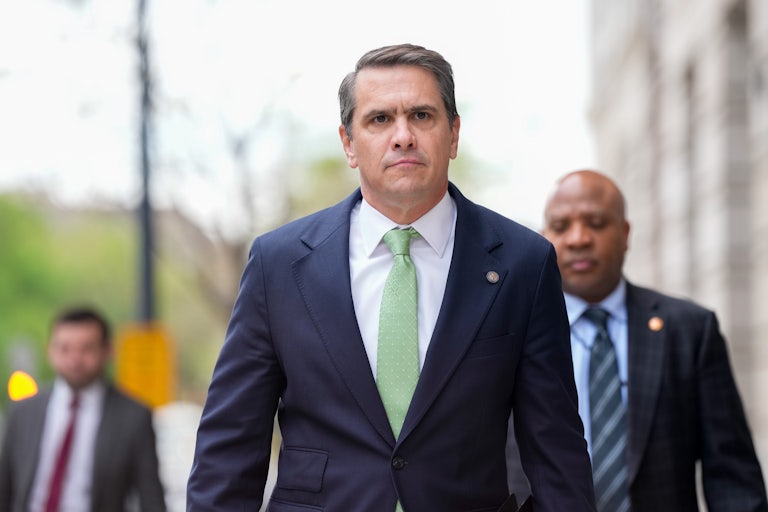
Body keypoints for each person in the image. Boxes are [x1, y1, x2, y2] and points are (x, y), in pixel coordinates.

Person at [186, 44, 596, 511]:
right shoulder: (278, 264)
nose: (403, 136)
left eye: (422, 116)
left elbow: (556, 452)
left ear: (454, 133)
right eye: (379, 120)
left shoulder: (524, 263)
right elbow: (229, 448)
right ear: (348, 143)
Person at [508, 169, 768, 511]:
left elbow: (733, 480)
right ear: (544, 238)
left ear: (625, 232)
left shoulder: (690, 331)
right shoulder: (508, 331)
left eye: (596, 223)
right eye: (561, 227)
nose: (578, 238)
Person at [0, 307, 167, 512]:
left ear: (107, 351)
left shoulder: (133, 416)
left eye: (86, 349)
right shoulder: (23, 411)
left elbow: (150, 497)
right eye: (64, 349)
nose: (75, 359)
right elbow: (4, 487)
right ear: (50, 351)